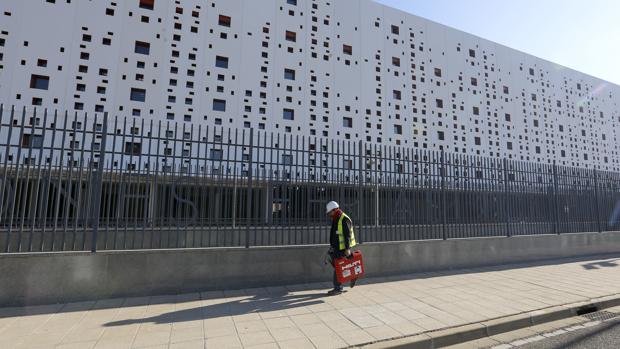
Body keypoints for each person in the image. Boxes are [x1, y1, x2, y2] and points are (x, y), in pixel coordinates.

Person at [325, 201, 357, 296]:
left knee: (338, 268)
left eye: (330, 212)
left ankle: (338, 288)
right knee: (339, 266)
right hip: (336, 247)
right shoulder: (336, 218)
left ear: (335, 210)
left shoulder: (343, 219)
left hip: (342, 248)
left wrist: (347, 248)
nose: (329, 214)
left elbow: (347, 235)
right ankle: (352, 275)